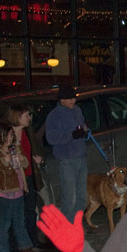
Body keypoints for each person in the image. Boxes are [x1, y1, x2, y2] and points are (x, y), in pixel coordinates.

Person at [0, 121, 40, 252]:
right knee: (5, 222)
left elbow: (25, 164)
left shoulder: (15, 148)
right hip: (4, 192)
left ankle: (25, 245)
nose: (10, 138)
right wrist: (4, 161)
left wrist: (22, 160)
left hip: (18, 189)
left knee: (20, 220)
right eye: (7, 135)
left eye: (11, 135)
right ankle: (2, 251)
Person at [45, 84, 88, 222]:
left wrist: (85, 131)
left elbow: (83, 128)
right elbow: (51, 138)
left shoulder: (77, 111)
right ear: (61, 100)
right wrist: (71, 135)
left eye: (73, 99)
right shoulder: (54, 116)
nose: (72, 101)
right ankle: (67, 228)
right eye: (69, 99)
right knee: (70, 198)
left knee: (82, 197)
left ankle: (76, 225)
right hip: (67, 160)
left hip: (81, 157)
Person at [7, 104, 44, 249]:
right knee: (16, 211)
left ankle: (32, 240)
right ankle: (14, 243)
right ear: (17, 117)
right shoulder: (8, 134)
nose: (29, 118)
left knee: (30, 210)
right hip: (15, 178)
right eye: (26, 116)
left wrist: (39, 159)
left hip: (29, 176)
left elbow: (37, 150)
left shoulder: (28, 133)